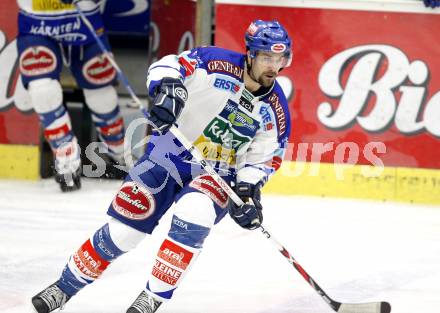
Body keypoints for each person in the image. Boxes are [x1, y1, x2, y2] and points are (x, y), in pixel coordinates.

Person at [30, 19, 293, 313]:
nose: (273, 66)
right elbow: (169, 65)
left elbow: (264, 157)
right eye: (267, 57)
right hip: (168, 152)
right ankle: (64, 287)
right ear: (251, 53)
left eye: (279, 59)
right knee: (124, 233)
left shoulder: (276, 108)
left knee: (195, 213)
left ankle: (151, 298)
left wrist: (247, 190)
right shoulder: (215, 63)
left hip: (218, 172)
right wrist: (169, 88)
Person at [16, 0, 126, 191]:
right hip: (36, 25)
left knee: (102, 94)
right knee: (42, 89)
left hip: (84, 23)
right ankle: (66, 157)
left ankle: (121, 154)